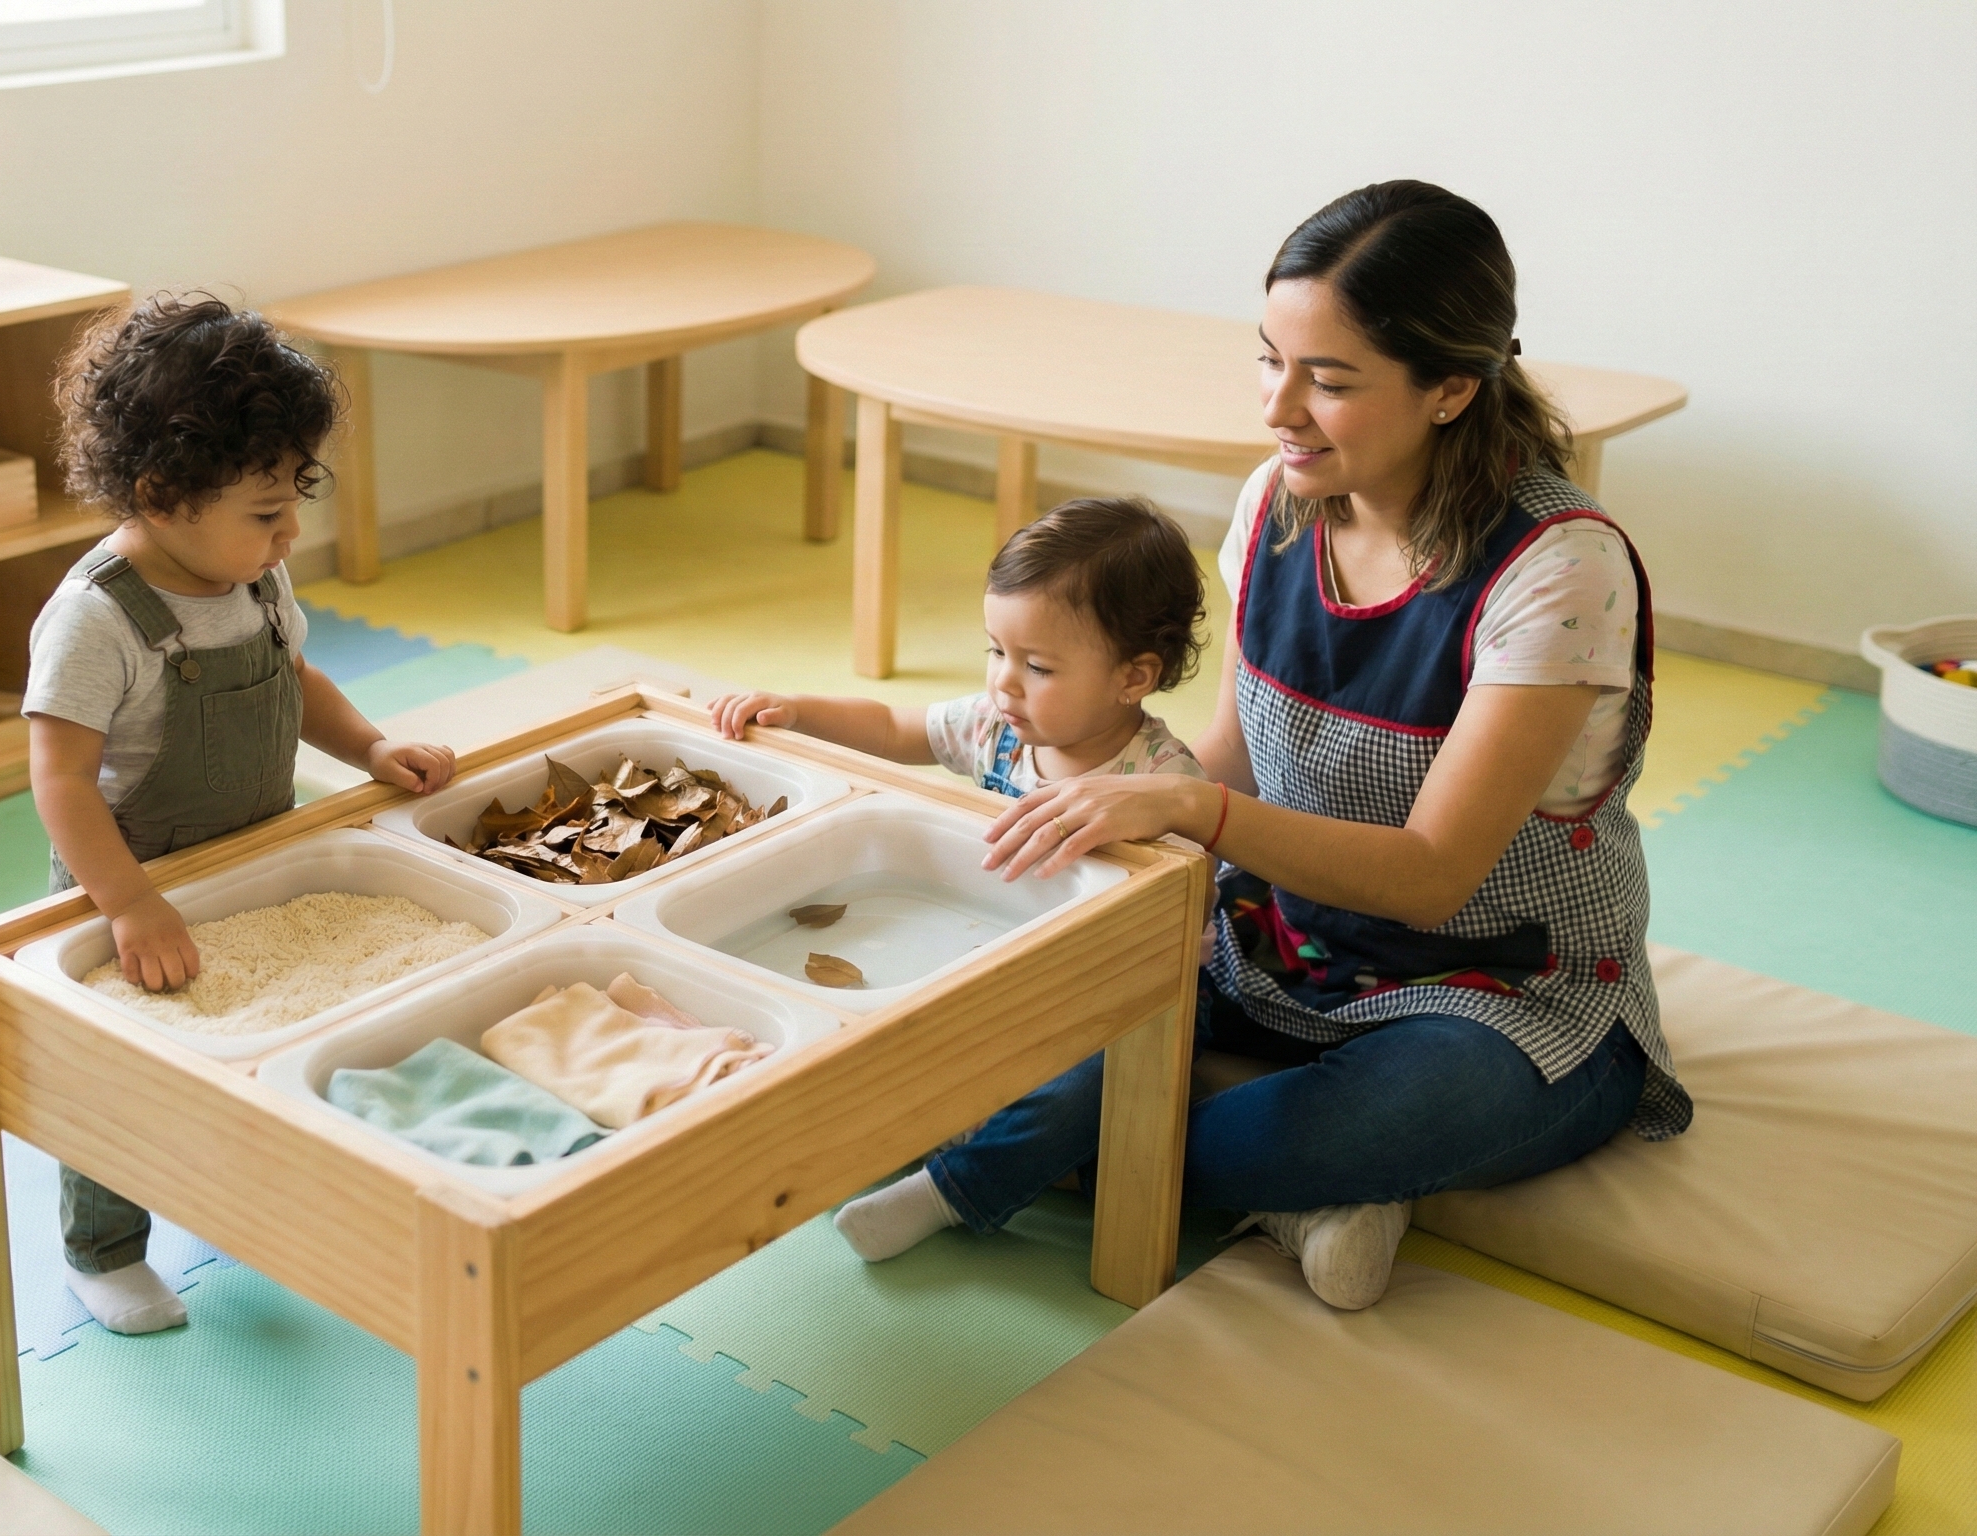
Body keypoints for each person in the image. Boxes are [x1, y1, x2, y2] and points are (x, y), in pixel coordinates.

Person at [832, 180, 1688, 1311]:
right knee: (1003, 1020)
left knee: (1348, 1117)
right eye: (1268, 359)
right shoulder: (1277, 502)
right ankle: (1300, 1190)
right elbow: (1233, 752)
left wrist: (1193, 816)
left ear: (1448, 389)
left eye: (1327, 380)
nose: (1278, 408)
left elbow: (1430, 878)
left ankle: (1249, 1160)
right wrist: (1120, 819)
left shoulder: (1556, 570)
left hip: (1501, 985)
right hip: (1278, 936)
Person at [24, 293, 457, 1334]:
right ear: (161, 494)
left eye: (290, 503)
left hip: (254, 857)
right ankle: (104, 1249)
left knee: (267, 1037)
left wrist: (366, 747)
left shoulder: (253, 582)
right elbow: (60, 779)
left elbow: (293, 676)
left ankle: (243, 1194)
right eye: (264, 515)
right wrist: (126, 902)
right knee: (117, 1075)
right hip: (129, 881)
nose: (288, 534)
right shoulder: (97, 619)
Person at [710, 495, 1211, 795]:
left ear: (1133, 677)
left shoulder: (1162, 781)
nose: (1004, 682)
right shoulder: (992, 728)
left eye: (1037, 667)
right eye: (997, 651)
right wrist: (796, 711)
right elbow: (888, 729)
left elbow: (1188, 894)